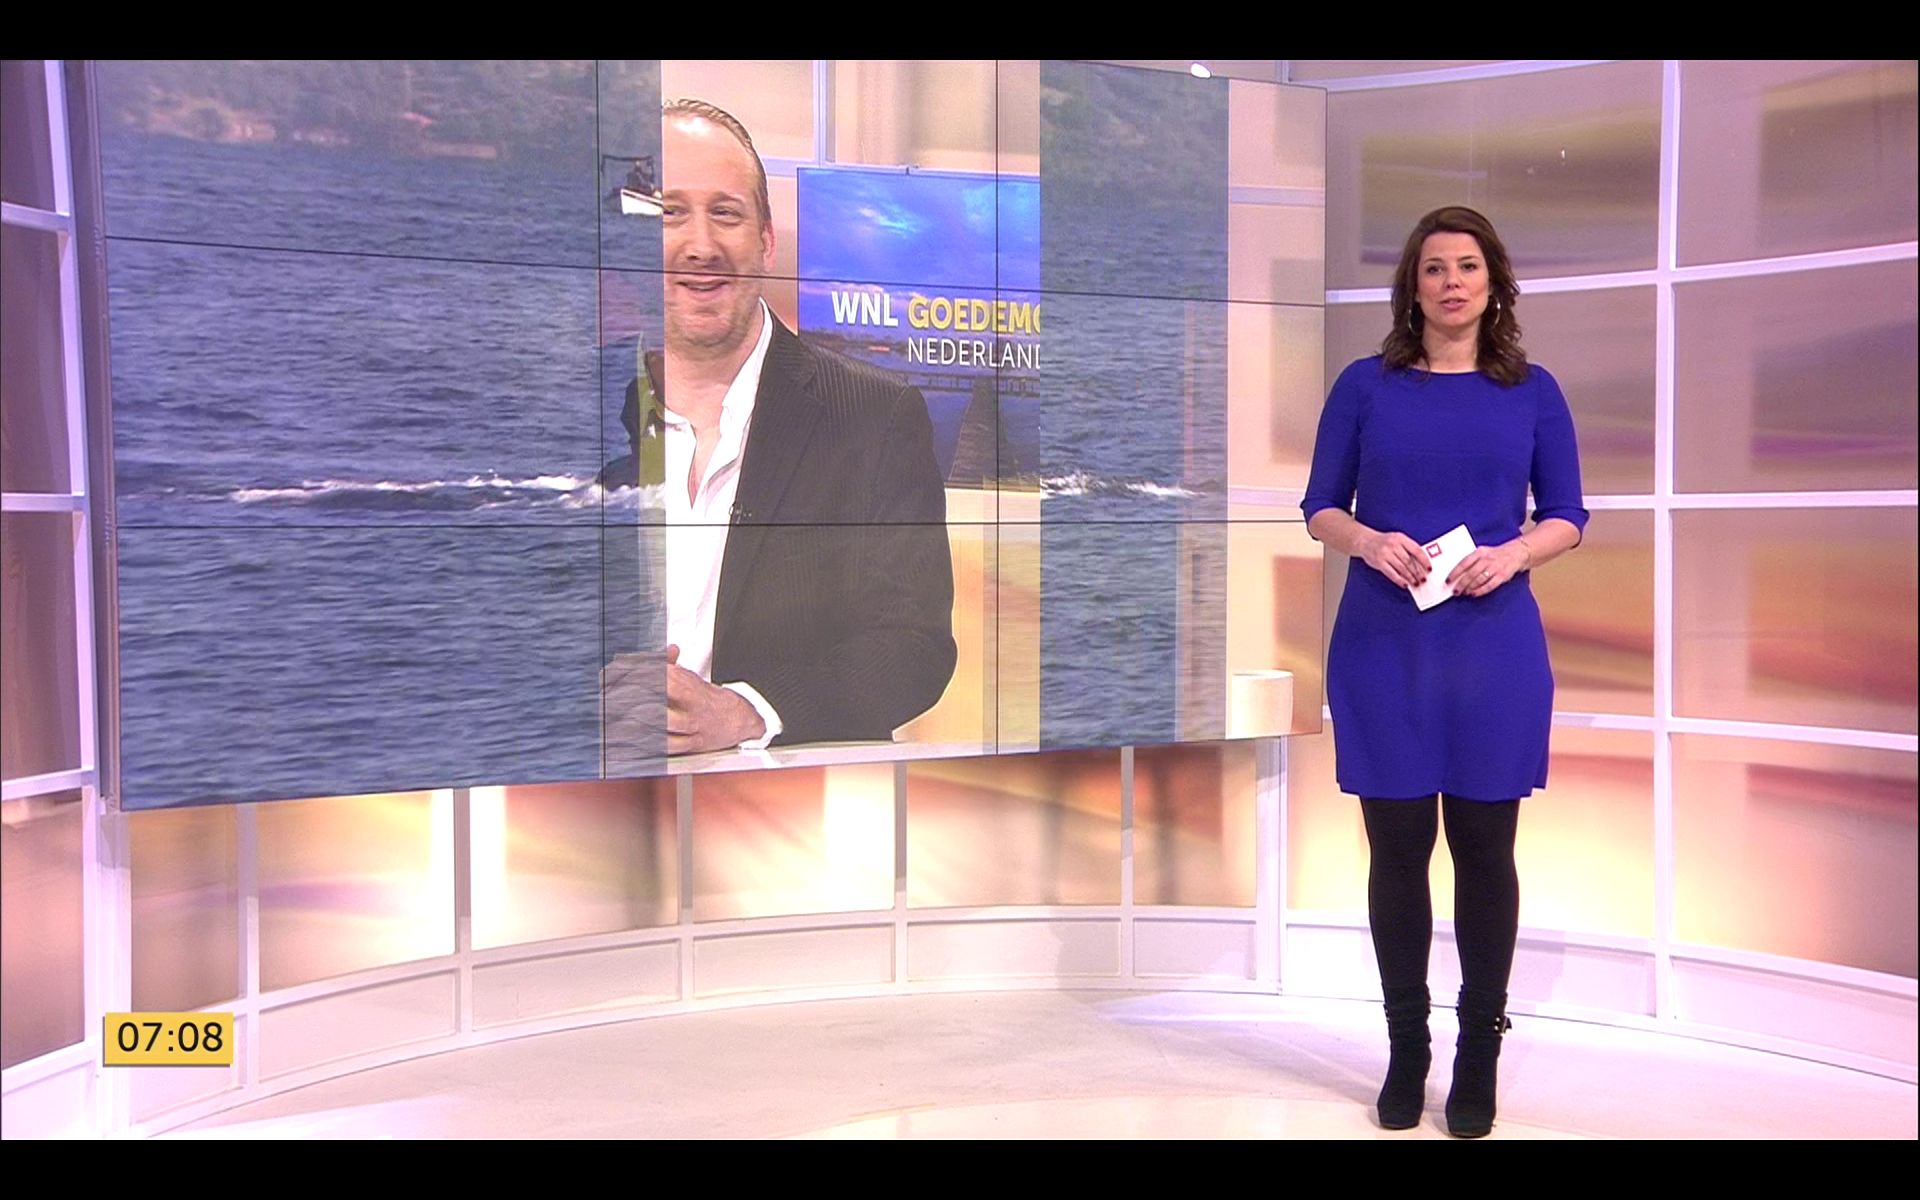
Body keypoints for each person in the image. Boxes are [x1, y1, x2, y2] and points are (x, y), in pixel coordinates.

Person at [1300, 206, 1587, 1137]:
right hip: (1383, 641)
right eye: (1434, 268)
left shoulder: (1533, 391)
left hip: (1492, 646)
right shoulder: (1365, 385)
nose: (1451, 282)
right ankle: (1407, 1047)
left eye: (1467, 266)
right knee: (1395, 851)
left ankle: (1478, 1051)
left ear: (1493, 282)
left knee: (1484, 850)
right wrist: (1366, 539)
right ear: (1412, 286)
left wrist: (1514, 553)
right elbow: (1318, 505)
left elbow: (1569, 514)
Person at [628, 98, 956, 756]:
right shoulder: (562, 414)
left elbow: (913, 647)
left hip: (787, 790)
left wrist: (745, 712)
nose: (700, 245)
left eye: (726, 213)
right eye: (670, 213)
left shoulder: (874, 416)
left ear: (766, 239)